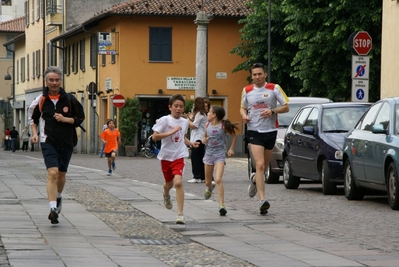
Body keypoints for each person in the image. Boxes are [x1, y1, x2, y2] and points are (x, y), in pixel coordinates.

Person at [28, 66, 85, 224]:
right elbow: (32, 119)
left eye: (57, 80)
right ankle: (53, 208)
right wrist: (34, 134)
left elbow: (80, 118)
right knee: (52, 173)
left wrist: (65, 119)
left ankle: (59, 197)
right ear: (46, 82)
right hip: (48, 141)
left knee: (61, 175)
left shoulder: (70, 100)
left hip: (67, 141)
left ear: (61, 81)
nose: (54, 83)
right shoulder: (40, 100)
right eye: (51, 80)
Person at [240, 63, 289, 215]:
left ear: (265, 75)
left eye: (259, 74)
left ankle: (255, 179)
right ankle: (262, 201)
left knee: (264, 167)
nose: (257, 77)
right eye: (254, 75)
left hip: (270, 131)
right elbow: (242, 107)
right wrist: (244, 116)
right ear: (251, 76)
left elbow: (286, 106)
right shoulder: (247, 90)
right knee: (260, 165)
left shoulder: (274, 88)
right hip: (254, 131)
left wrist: (272, 111)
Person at [152, 94, 199, 224]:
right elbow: (155, 137)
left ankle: (180, 214)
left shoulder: (184, 122)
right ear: (170, 107)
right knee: (168, 184)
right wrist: (171, 132)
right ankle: (166, 194)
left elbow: (182, 137)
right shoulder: (164, 120)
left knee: (178, 182)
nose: (178, 109)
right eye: (176, 106)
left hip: (179, 155)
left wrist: (191, 143)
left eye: (181, 106)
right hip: (166, 156)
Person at [202, 106, 238, 216]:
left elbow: (234, 136)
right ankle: (210, 187)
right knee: (208, 182)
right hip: (208, 155)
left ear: (214, 115)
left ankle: (222, 205)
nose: (207, 113)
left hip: (219, 156)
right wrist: (204, 140)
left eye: (209, 112)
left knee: (218, 179)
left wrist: (231, 148)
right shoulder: (207, 125)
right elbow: (204, 137)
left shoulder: (223, 126)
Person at [187, 97, 208, 183]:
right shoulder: (204, 114)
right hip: (201, 137)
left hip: (197, 138)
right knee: (201, 158)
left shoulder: (199, 114)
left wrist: (187, 121)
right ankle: (203, 177)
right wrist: (191, 118)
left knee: (195, 157)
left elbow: (194, 126)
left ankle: (197, 176)